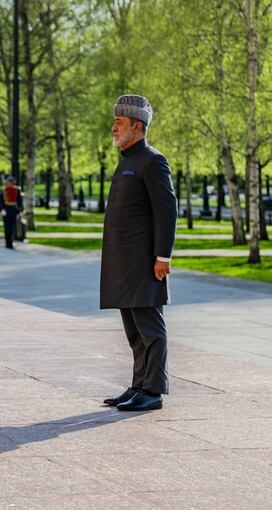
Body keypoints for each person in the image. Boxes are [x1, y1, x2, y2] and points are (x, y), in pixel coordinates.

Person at [101, 94, 177, 412]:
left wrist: (163, 256)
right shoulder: (126, 160)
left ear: (137, 126)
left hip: (145, 262)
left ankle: (154, 390)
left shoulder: (152, 161)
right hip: (123, 264)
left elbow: (167, 210)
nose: (114, 128)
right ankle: (138, 385)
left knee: (150, 328)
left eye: (119, 123)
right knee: (134, 331)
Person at [2, 175, 23, 249]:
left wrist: (20, 210)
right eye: (9, 181)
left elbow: (19, 201)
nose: (11, 183)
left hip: (14, 210)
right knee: (7, 227)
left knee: (13, 227)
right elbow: (2, 201)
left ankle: (11, 241)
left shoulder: (16, 190)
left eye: (12, 181)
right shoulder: (4, 190)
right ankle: (7, 242)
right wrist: (2, 209)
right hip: (6, 210)